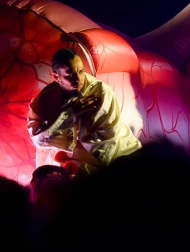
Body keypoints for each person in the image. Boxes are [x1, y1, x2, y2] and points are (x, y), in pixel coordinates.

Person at [26, 47, 142, 177]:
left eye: (81, 71)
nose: (78, 79)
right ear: (56, 77)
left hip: (105, 151)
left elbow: (105, 141)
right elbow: (38, 138)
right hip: (65, 154)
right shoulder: (46, 97)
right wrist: (70, 114)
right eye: (69, 74)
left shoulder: (101, 93)